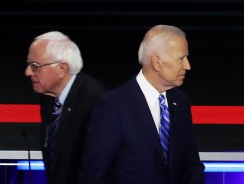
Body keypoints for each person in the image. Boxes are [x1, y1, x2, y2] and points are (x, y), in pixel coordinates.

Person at [79, 25, 205, 184]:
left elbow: (191, 164)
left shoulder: (180, 102)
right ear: (157, 61)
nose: (187, 65)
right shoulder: (112, 107)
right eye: (181, 58)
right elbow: (94, 175)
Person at [25, 31, 107, 184]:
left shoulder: (94, 101)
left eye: (35, 66)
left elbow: (97, 168)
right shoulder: (48, 98)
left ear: (62, 69)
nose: (28, 72)